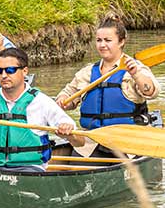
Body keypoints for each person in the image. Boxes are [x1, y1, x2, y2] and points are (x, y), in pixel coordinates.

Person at [55, 18, 157, 156]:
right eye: (99, 40)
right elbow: (67, 94)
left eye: (108, 40)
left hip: (129, 141)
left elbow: (150, 91)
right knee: (75, 167)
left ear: (121, 42)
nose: (102, 45)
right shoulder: (87, 72)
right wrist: (63, 100)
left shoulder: (135, 68)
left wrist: (136, 75)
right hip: (92, 142)